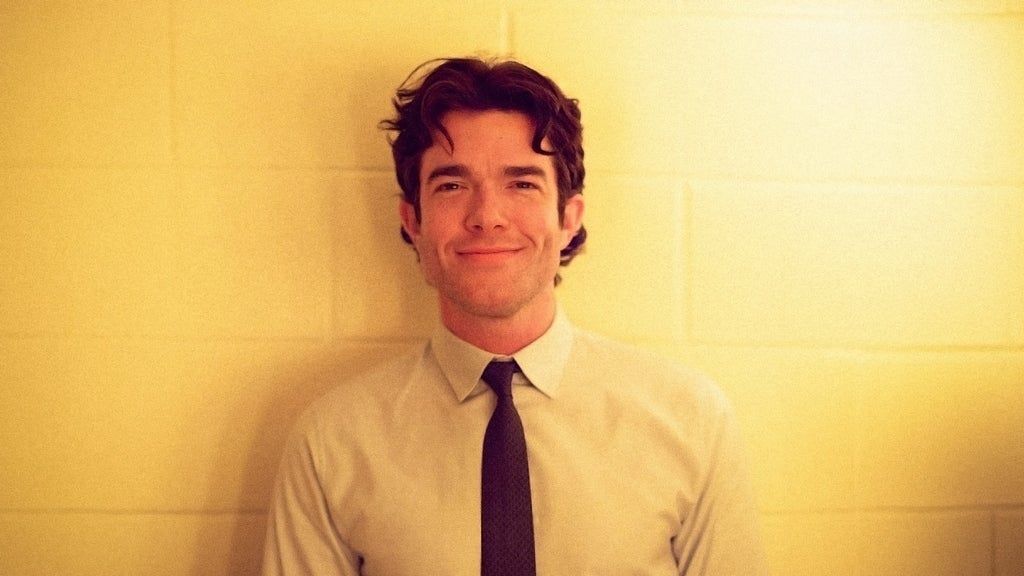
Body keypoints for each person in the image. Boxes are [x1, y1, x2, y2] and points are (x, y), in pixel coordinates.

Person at [261, 57, 768, 576]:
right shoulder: (332, 443)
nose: (487, 216)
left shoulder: (692, 422)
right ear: (413, 221)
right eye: (452, 186)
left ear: (568, 218)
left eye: (522, 184)